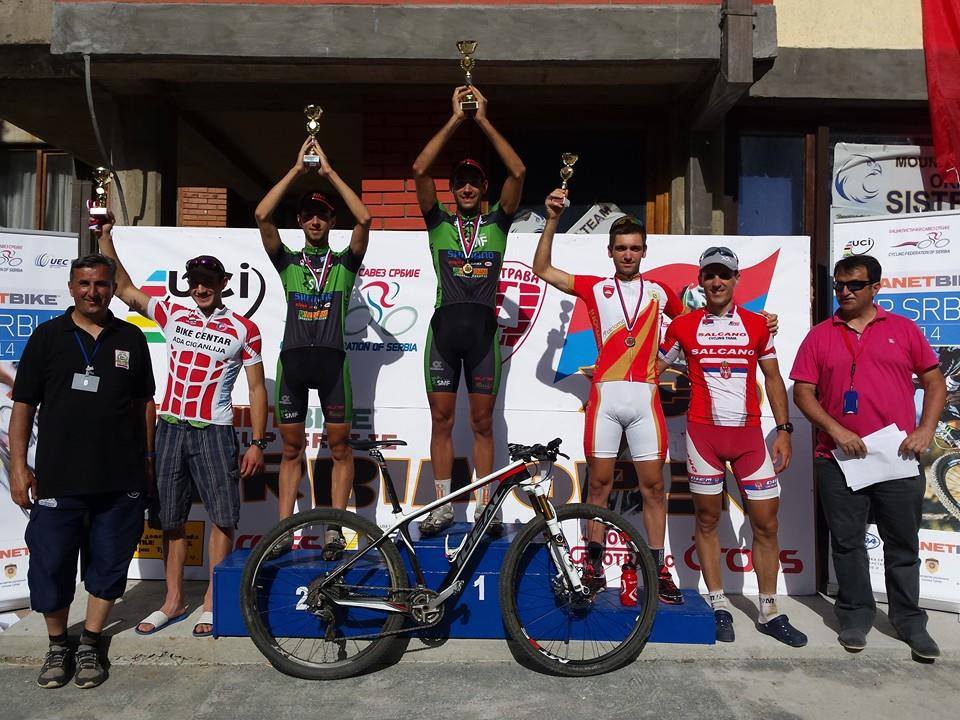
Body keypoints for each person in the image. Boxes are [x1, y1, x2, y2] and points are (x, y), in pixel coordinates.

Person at [96, 215, 267, 638]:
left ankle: (212, 600)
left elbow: (257, 388)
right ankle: (172, 601)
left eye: (208, 281)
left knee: (223, 517)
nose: (201, 288)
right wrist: (104, 237)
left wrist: (258, 442)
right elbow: (123, 288)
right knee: (171, 518)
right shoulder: (173, 313)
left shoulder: (244, 329)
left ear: (223, 283)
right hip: (171, 428)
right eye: (195, 281)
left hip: (214, 430)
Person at [9, 254, 154, 689]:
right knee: (51, 565)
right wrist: (18, 466)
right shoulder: (48, 336)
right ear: (72, 287)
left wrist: (147, 461)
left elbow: (144, 404)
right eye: (85, 284)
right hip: (59, 477)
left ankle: (91, 642)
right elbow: (23, 406)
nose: (94, 292)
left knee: (109, 565)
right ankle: (58, 645)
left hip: (120, 478)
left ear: (112, 288)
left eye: (102, 284)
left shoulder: (130, 337)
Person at [533, 189, 685, 602]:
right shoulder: (595, 288)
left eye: (635, 248)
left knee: (653, 489)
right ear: (610, 251)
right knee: (598, 486)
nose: (628, 255)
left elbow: (689, 327)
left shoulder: (660, 291)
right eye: (621, 248)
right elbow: (542, 268)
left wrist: (664, 361)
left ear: (644, 251)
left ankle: (656, 566)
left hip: (645, 399)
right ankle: (593, 565)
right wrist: (552, 218)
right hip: (605, 398)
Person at [791, 254, 946, 659]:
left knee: (902, 545)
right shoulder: (820, 335)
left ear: (876, 287)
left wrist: (926, 430)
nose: (844, 292)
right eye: (839, 285)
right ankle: (855, 616)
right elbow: (803, 392)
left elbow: (934, 381)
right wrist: (837, 430)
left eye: (854, 285)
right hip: (837, 459)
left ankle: (909, 621)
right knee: (847, 544)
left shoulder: (903, 329)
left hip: (896, 457)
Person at [657, 246, 806, 645]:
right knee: (707, 521)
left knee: (767, 524)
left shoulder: (758, 325)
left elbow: (772, 378)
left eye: (724, 274)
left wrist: (785, 430)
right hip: (703, 437)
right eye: (710, 275)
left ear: (737, 279)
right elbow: (654, 367)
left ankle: (769, 610)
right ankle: (719, 603)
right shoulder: (683, 326)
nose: (717, 281)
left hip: (749, 439)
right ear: (700, 282)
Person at [411, 85, 525, 536]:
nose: (466, 187)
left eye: (474, 181)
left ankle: (483, 507)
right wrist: (456, 119)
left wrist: (482, 120)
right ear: (452, 188)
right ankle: (441, 506)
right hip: (443, 333)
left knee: (481, 423)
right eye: (459, 181)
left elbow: (518, 170)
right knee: (441, 421)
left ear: (483, 187)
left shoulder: (498, 222)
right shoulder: (438, 222)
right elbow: (419, 168)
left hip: (482, 336)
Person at [255, 139, 371, 556]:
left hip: (332, 364)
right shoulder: (287, 261)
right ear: (300, 221)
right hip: (293, 363)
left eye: (322, 215)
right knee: (290, 449)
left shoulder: (344, 263)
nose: (316, 221)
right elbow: (262, 215)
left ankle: (335, 529)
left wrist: (328, 172)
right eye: (308, 215)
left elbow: (365, 218)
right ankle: (283, 530)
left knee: (339, 448)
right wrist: (295, 170)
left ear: (332, 220)